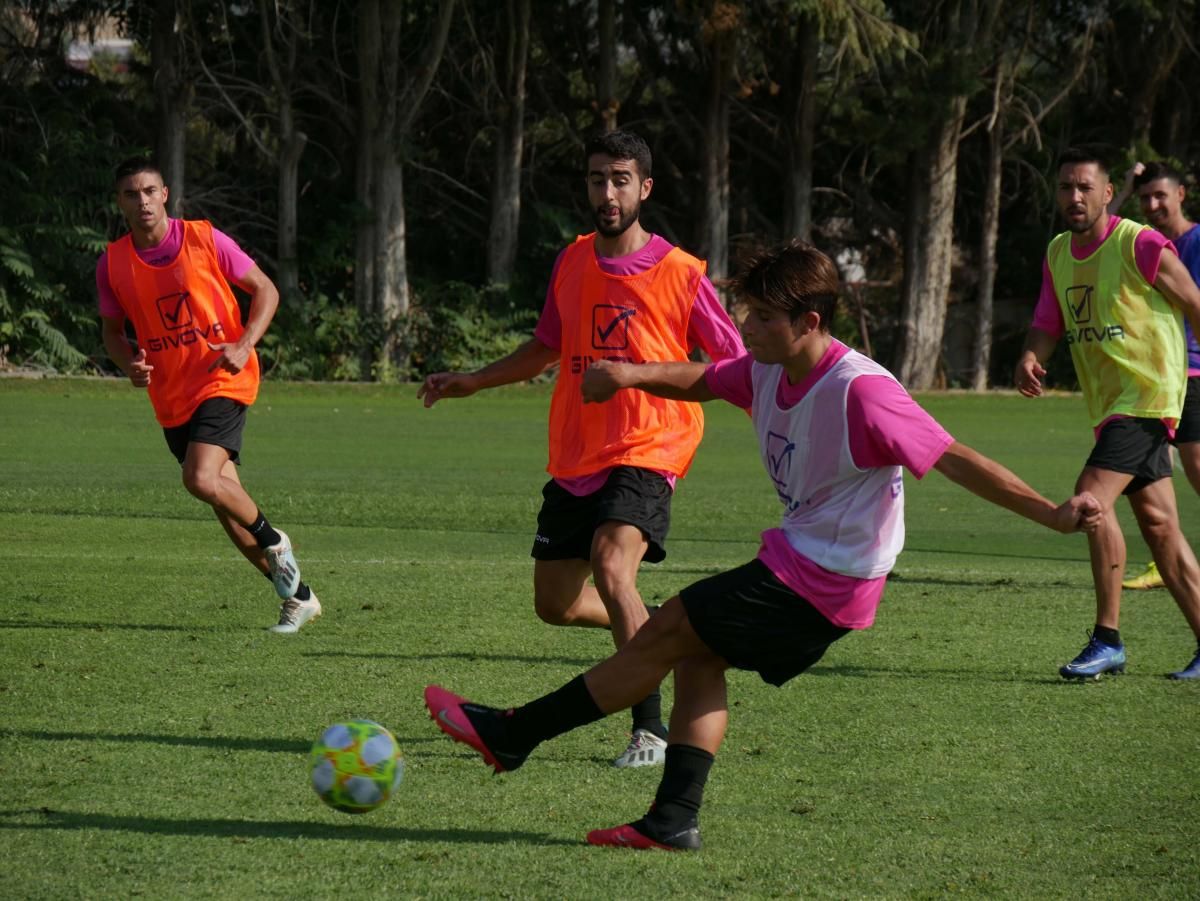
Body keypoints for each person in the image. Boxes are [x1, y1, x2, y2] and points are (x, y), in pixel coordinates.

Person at [423, 240, 1102, 851]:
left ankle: (514, 734)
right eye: (746, 314)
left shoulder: (862, 392)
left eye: (762, 319)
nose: (745, 329)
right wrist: (629, 376)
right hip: (799, 563)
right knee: (697, 656)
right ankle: (672, 820)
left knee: (670, 629)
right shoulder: (768, 369)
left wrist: (1050, 514)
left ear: (809, 322)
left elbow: (955, 458)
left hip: (828, 578)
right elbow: (703, 379)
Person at [418, 130, 744, 769]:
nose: (608, 191)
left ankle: (648, 730)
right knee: (556, 603)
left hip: (651, 443)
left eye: (621, 179)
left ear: (645, 188)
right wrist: (474, 381)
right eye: (598, 179)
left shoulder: (681, 273)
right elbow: (546, 346)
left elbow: (735, 364)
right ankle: (657, 631)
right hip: (578, 451)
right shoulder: (572, 261)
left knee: (612, 564)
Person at [97, 157, 321, 634]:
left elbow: (265, 291)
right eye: (131, 194)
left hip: (223, 377)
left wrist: (243, 345)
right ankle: (299, 597)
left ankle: (275, 539)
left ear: (165, 194)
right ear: (120, 203)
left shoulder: (204, 238)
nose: (142, 202)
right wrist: (127, 362)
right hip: (171, 395)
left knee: (200, 479)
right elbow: (112, 333)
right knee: (227, 508)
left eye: (150, 191)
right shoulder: (112, 262)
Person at [1015, 148, 1200, 681]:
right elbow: (1048, 320)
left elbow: (1194, 301)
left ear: (1105, 192)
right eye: (1065, 187)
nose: (1074, 197)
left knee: (1089, 500)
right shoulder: (1058, 252)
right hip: (1109, 407)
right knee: (1160, 525)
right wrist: (1032, 355)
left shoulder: (1138, 242)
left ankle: (1107, 638)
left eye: (1084, 188)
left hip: (1148, 399)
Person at [1120, 162, 1200, 593]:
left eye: (1160, 196)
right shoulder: (1136, 241)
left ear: (1181, 195)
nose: (1151, 205)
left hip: (1189, 369)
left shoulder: (1197, 241)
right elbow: (1096, 228)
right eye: (1144, 197)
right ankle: (1163, 559)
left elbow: (1194, 303)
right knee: (1155, 470)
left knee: (1197, 467)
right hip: (1150, 374)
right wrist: (1123, 189)